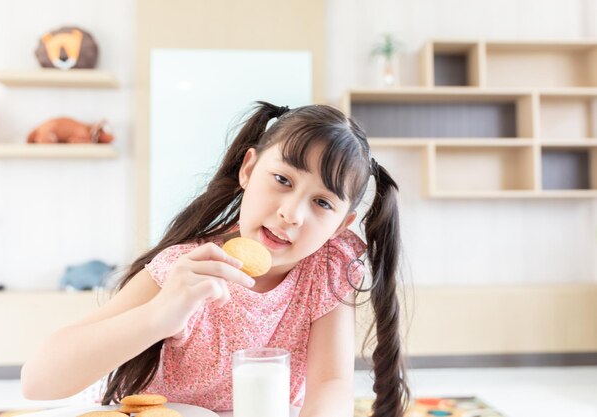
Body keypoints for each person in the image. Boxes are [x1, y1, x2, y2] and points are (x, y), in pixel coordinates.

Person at [21, 101, 410, 417]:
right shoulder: (185, 268)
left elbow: (331, 385)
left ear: (342, 225)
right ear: (249, 168)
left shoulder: (325, 272)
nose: (292, 213)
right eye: (283, 180)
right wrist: (159, 315)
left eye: (322, 202)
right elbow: (37, 381)